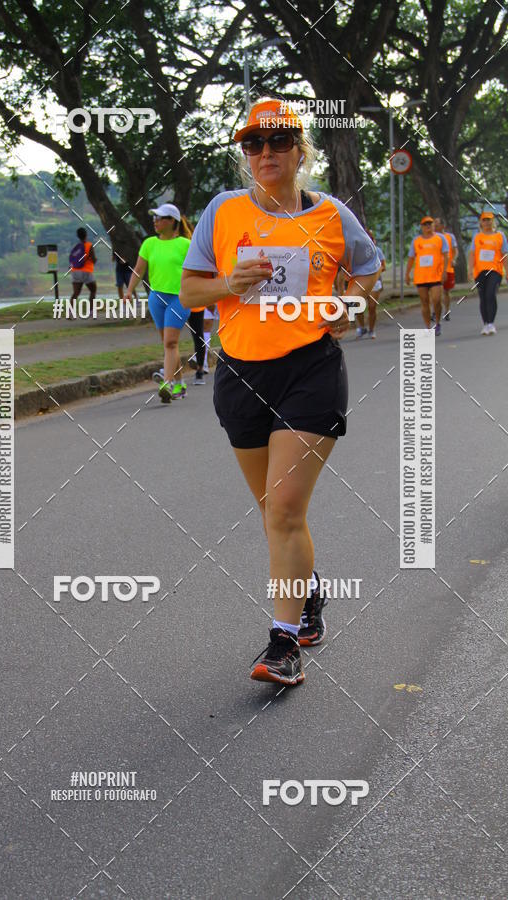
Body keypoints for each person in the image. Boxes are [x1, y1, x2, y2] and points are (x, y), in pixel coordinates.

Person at [179, 98, 379, 685]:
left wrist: (350, 304)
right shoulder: (223, 210)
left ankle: (282, 644)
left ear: (299, 149)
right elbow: (189, 293)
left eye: (278, 141)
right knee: (273, 512)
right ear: (246, 154)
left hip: (310, 370)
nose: (265, 152)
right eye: (254, 144)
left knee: (286, 509)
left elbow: (369, 269)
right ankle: (309, 592)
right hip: (241, 373)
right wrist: (227, 282)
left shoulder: (331, 214)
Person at [125, 203, 193, 402]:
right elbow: (139, 270)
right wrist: (129, 291)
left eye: (160, 218)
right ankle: (179, 384)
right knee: (169, 344)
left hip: (179, 299)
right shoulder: (149, 244)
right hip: (156, 298)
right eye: (154, 218)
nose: (155, 221)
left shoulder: (185, 244)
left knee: (170, 342)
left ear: (172, 221)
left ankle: (167, 383)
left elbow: (197, 271)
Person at [405, 216, 449, 336]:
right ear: (421, 227)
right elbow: (411, 258)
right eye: (425, 224)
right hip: (421, 277)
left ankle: (437, 323)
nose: (428, 226)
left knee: (436, 300)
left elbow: (446, 256)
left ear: (434, 225)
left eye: (430, 223)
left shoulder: (440, 238)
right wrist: (407, 274)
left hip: (436, 276)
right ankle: (428, 327)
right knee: (424, 302)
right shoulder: (416, 241)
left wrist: (445, 271)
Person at [468, 211, 508, 335]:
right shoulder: (477, 237)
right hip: (480, 271)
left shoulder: (500, 236)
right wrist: (470, 270)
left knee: (491, 294)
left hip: (495, 270)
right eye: (484, 220)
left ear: (493, 221)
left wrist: (507, 270)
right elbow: (472, 254)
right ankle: (485, 324)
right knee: (483, 297)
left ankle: (491, 323)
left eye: (489, 220)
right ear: (481, 222)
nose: (487, 222)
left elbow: (504, 254)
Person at [433, 217, 457, 320]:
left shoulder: (450, 237)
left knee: (446, 291)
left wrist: (453, 259)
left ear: (443, 226)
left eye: (437, 224)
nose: (434, 226)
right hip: (435, 269)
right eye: (434, 224)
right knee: (435, 292)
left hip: (447, 269)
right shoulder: (431, 238)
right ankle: (435, 312)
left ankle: (447, 311)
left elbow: (455, 250)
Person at [365, 229, 385, 339]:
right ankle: (361, 327)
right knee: (357, 306)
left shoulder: (377, 251)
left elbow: (383, 266)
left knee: (372, 307)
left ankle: (371, 330)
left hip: (374, 282)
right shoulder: (357, 250)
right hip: (360, 282)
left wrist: (375, 272)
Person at [69, 227, 97, 302]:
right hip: (86, 271)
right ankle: (91, 308)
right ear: (86, 235)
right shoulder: (89, 245)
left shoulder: (76, 247)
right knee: (93, 290)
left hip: (75, 271)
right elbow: (94, 259)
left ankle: (70, 308)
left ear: (78, 236)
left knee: (76, 293)